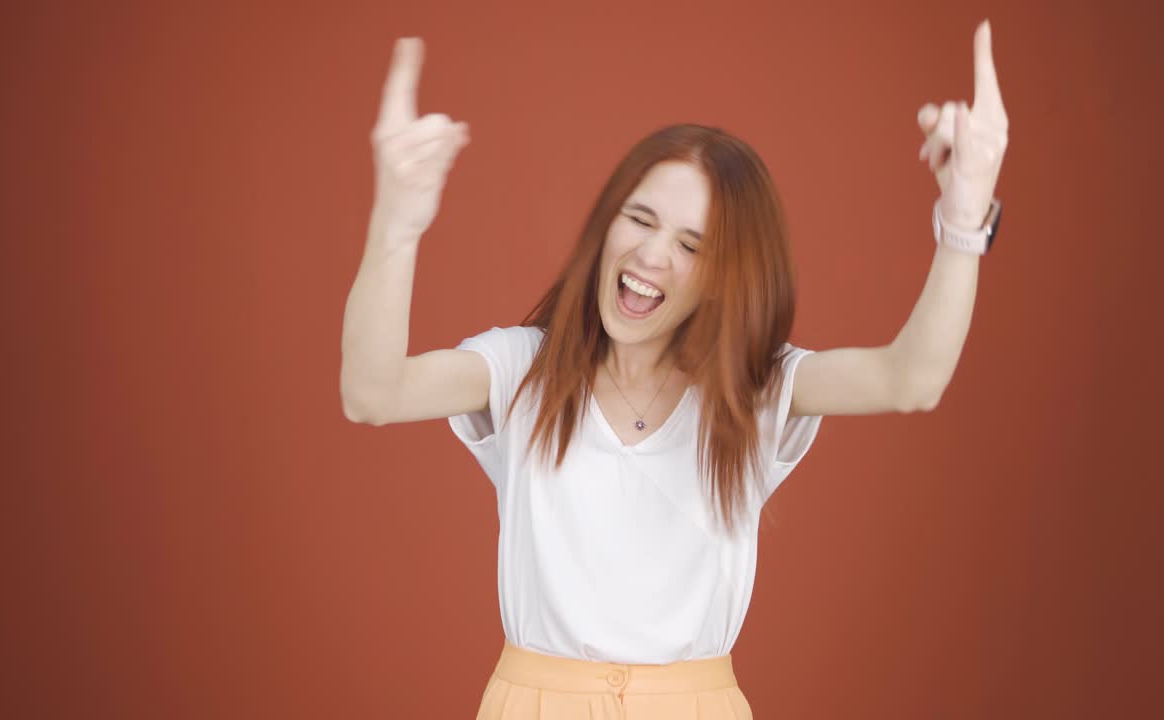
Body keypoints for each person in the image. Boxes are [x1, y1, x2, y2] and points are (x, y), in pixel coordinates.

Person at [341, 21, 1007, 720]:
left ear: (725, 277)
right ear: (606, 227)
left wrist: (963, 223)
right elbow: (372, 393)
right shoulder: (518, 369)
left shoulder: (757, 388)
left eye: (691, 244)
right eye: (639, 218)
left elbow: (911, 380)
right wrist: (398, 221)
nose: (652, 255)